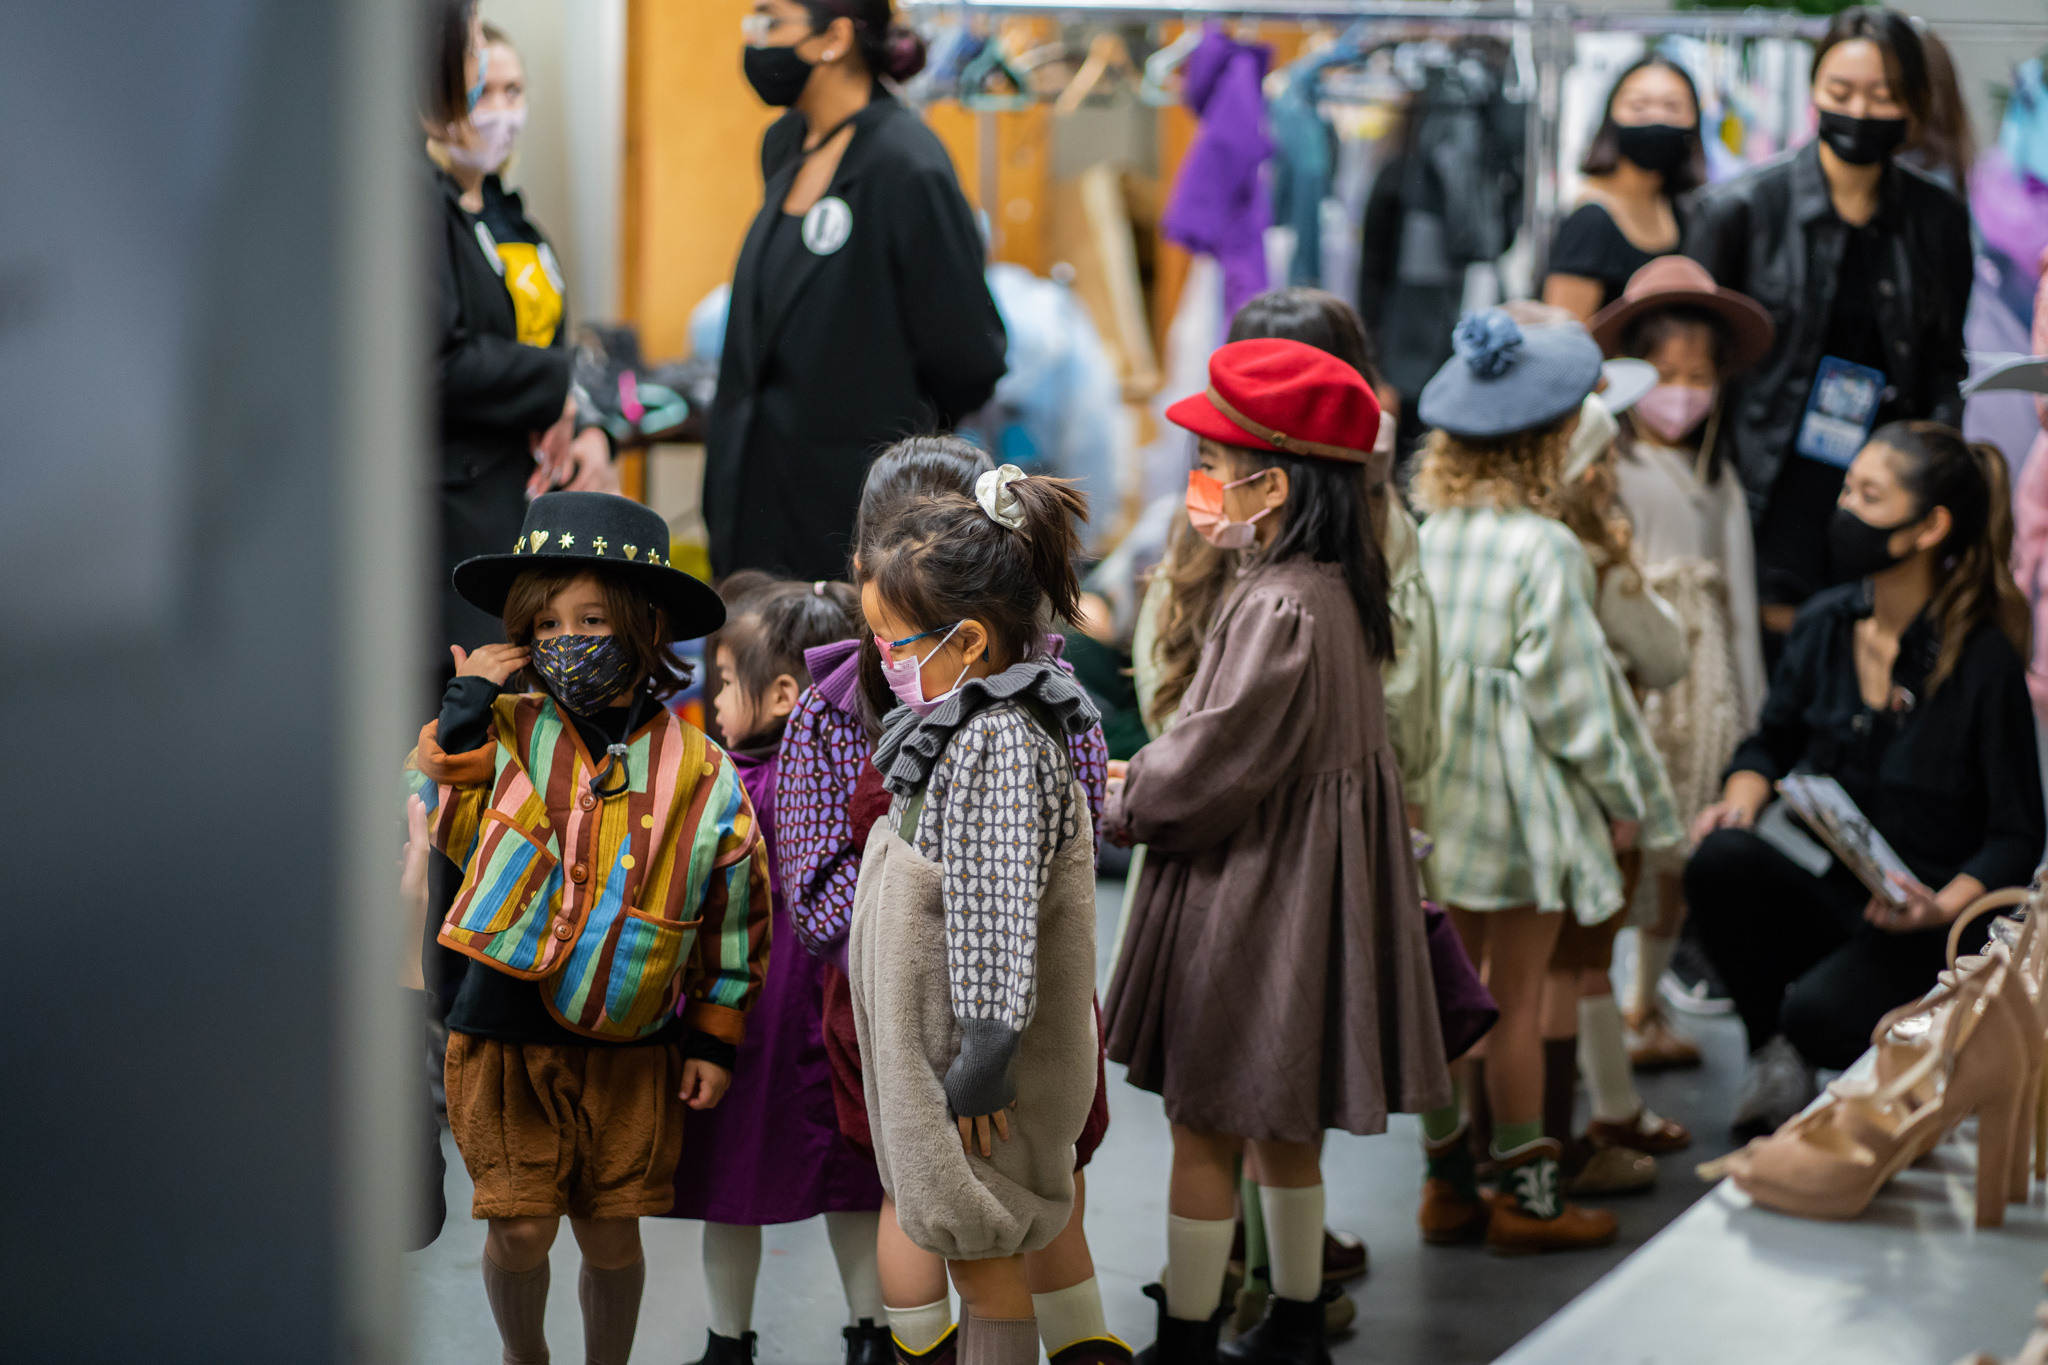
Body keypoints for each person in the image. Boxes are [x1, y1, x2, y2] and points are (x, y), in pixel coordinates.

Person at [1105, 339, 1449, 1365]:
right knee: (1283, 1128)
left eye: (1218, 464)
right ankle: (1294, 1318)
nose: (1202, 487)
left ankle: (1187, 1332)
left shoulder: (1276, 605)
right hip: (1306, 895)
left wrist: (1122, 793)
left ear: (1280, 481)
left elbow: (1212, 762)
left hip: (1249, 902)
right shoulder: (1337, 589)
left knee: (1204, 1125)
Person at [778, 438, 1121, 1365]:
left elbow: (995, 910)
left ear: (966, 639)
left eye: (893, 643)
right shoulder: (960, 724)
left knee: (987, 1252)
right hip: (938, 1053)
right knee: (975, 1243)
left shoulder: (994, 743)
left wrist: (985, 1052)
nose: (879, 660)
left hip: (976, 1070)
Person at [409, 490, 771, 1365]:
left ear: (646, 627)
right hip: (502, 1034)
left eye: (593, 619)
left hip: (632, 1041)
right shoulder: (503, 731)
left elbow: (735, 916)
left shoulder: (700, 771)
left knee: (613, 1237)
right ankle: (523, 1354)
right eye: (546, 622)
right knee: (521, 1230)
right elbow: (443, 798)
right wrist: (467, 696)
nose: (566, 639)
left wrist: (714, 1040)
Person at [1685, 422, 2042, 1139]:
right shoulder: (1824, 622)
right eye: (1847, 488)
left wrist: (1943, 905)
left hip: (1931, 926)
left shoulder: (1983, 662)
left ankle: (1878, 1051)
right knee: (1718, 860)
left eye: (1868, 496)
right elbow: (1771, 740)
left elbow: (2017, 831)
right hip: (1838, 891)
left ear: (1928, 526)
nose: (1844, 507)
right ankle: (1773, 1052)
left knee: (1818, 1014)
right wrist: (1743, 793)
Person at [1410, 309, 1670, 1254]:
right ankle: (1529, 1196)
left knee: (1453, 993)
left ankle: (1446, 1184)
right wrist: (1620, 798)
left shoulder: (1427, 531)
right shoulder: (1546, 548)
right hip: (1519, 799)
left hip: (1438, 791)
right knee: (1516, 997)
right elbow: (1569, 699)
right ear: (1555, 441)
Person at [1683, 6, 1971, 658]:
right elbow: (1695, 363)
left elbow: (1943, 363)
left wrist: (1938, 475)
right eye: (1841, 92)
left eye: (1883, 96)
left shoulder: (1937, 220)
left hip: (1882, 493)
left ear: (1914, 106)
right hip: (1765, 482)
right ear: (1813, 89)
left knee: (1868, 659)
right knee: (1763, 666)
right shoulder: (1740, 211)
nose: (1860, 111)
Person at [668, 577, 895, 1365]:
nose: (715, 699)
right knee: (857, 1183)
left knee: (733, 1188)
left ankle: (728, 1343)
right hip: (837, 1011)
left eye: (727, 682)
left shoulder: (730, 785)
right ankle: (874, 1336)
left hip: (749, 1018)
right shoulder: (862, 776)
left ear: (786, 692)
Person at [707, 0, 1007, 582]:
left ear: (835, 38)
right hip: (754, 503)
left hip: (852, 519)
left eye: (772, 21)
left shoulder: (907, 163)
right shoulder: (786, 145)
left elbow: (969, 355)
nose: (757, 40)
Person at [1586, 256, 1776, 1071]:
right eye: (1665, 374)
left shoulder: (1718, 479)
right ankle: (1597, 995)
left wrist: (1753, 715)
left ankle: (1644, 1003)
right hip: (1634, 683)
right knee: (1621, 850)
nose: (1682, 391)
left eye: (1699, 376)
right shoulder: (1609, 467)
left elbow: (1737, 597)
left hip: (1702, 698)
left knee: (1677, 857)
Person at [426, 4, 611, 672]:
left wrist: (589, 425)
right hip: (464, 504)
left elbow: (556, 344)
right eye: (484, 81)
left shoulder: (516, 219)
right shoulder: (427, 203)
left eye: (514, 91)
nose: (498, 107)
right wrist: (554, 388)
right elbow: (444, 361)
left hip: (532, 488)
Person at [1543, 57, 1707, 321]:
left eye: (1672, 107)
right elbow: (1563, 341)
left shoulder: (1680, 211)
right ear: (1611, 117)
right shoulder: (1591, 221)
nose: (1656, 117)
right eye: (1639, 106)